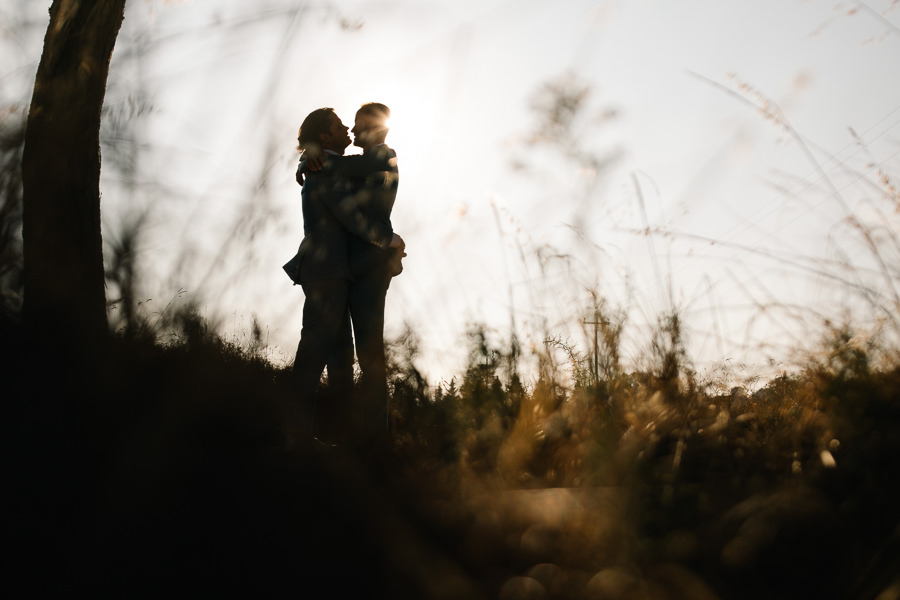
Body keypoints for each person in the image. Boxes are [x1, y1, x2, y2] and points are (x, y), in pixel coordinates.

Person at [287, 107, 397, 442]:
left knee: (362, 354)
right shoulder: (330, 169)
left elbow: (345, 174)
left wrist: (309, 158)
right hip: (334, 270)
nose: (349, 127)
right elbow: (348, 215)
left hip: (363, 268)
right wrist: (307, 159)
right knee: (331, 353)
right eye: (341, 125)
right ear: (324, 136)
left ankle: (371, 438)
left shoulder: (380, 157)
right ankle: (319, 435)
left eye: (357, 123)